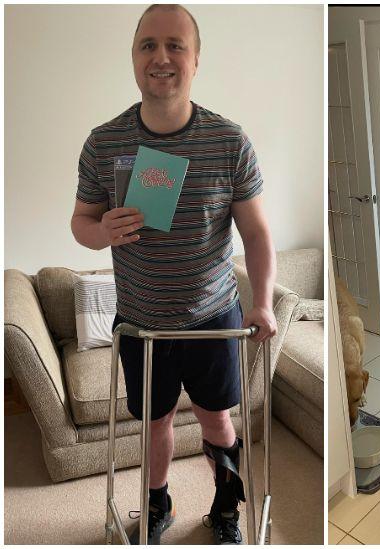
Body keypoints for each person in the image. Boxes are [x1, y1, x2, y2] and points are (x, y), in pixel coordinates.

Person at [70, 4, 277, 544]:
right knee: (155, 424)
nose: (161, 57)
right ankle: (156, 506)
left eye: (175, 45)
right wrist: (102, 231)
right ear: (134, 57)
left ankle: (227, 507)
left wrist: (264, 302)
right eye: (148, 45)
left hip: (214, 318)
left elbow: (255, 235)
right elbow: (80, 224)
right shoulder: (103, 142)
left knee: (216, 422)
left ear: (196, 59)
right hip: (141, 323)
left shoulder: (230, 141)